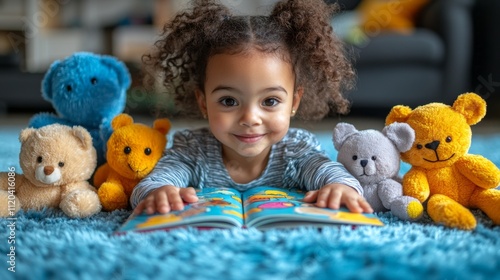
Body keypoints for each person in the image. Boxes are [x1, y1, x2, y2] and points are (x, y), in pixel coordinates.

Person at [131, 0, 373, 215]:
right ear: (203, 103)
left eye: (270, 101)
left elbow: (331, 172)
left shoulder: (297, 150)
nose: (250, 118)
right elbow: (151, 183)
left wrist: (341, 188)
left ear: (294, 102)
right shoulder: (192, 150)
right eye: (229, 101)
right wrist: (158, 191)